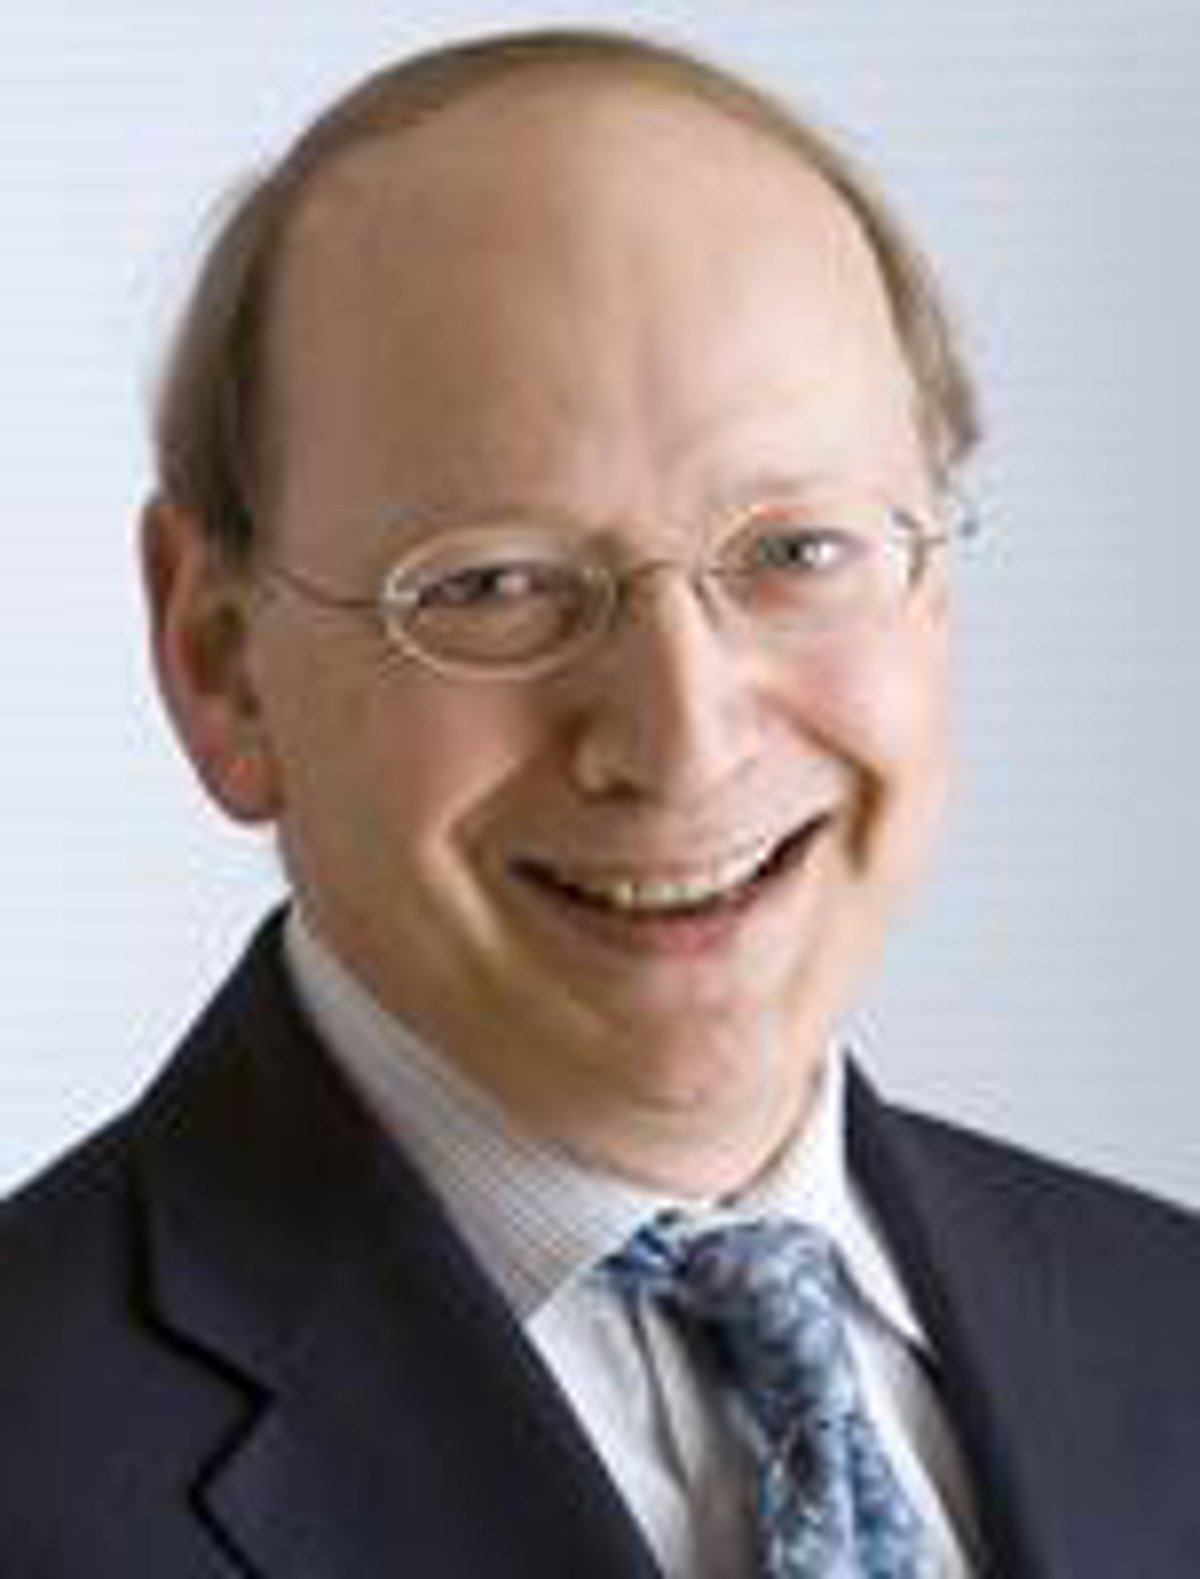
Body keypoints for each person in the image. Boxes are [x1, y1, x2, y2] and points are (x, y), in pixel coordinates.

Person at [1, 27, 1197, 1578]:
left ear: (932, 586)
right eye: (495, 585)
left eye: (797, 550)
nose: (681, 742)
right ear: (221, 662)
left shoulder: (1166, 1319)